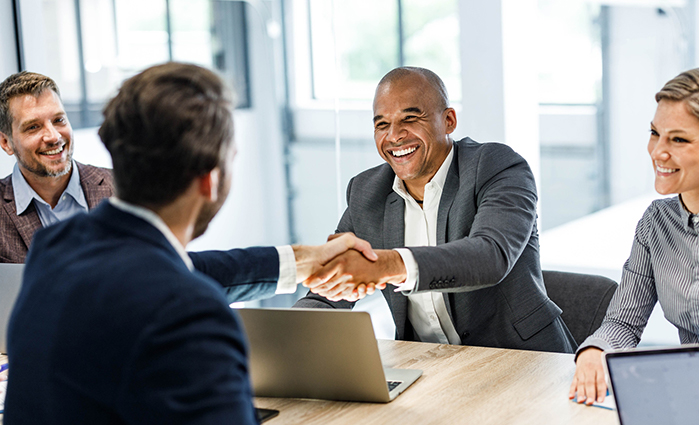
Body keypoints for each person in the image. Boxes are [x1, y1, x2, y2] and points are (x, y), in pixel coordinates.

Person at [3, 63, 377, 424]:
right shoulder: (192, 315)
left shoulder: (57, 248)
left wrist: (304, 260)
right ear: (210, 179)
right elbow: (172, 286)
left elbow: (176, 271)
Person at [294, 66, 575, 353]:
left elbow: (490, 255)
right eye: (381, 124)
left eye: (410, 119)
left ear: (449, 120)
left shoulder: (496, 166)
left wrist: (387, 266)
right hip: (430, 368)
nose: (394, 136)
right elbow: (331, 289)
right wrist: (285, 338)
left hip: (523, 361)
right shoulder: (367, 192)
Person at [569, 66, 699, 405]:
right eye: (655, 133)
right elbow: (623, 322)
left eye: (678, 139)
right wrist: (594, 351)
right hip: (694, 398)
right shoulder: (656, 222)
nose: (658, 152)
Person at [0, 71, 113, 263]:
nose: (53, 137)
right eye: (33, 127)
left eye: (59, 120)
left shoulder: (121, 188)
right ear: (6, 142)